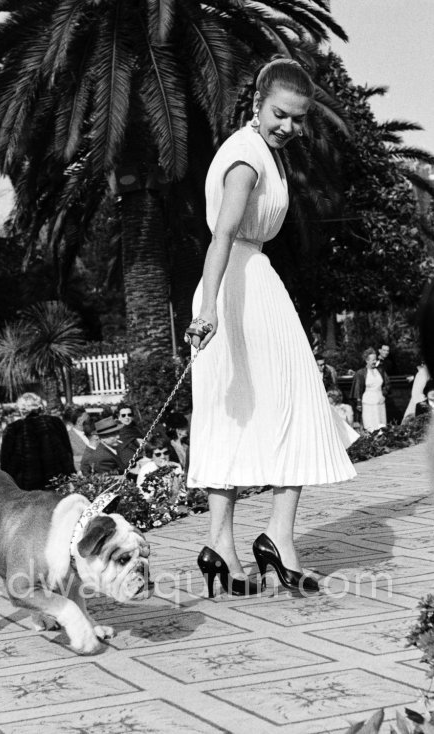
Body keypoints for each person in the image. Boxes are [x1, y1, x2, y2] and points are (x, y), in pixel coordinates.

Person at [184, 59, 356, 598]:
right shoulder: (245, 159)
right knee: (257, 407)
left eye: (298, 119)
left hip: (254, 282)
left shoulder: (264, 151)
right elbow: (222, 236)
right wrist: (208, 307)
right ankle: (252, 540)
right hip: (236, 288)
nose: (289, 126)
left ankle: (238, 543)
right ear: (257, 100)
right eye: (280, 114)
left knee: (262, 408)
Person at [0, 392, 75, 490]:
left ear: (21, 409)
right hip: (57, 484)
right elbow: (68, 454)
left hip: (28, 489)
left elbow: (6, 464)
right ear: (39, 406)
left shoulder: (14, 429)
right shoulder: (56, 423)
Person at [350, 347, 389, 432]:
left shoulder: (380, 371)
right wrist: (359, 403)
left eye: (375, 359)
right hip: (368, 403)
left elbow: (387, 384)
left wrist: (383, 394)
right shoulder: (361, 373)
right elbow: (357, 389)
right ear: (366, 360)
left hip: (380, 402)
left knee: (381, 425)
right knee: (371, 426)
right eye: (372, 360)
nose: (375, 362)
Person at [136, 435, 183, 500]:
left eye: (166, 452)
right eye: (158, 454)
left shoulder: (176, 467)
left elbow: (181, 490)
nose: (163, 457)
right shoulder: (146, 470)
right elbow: (145, 496)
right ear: (151, 456)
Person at [64, 406, 94, 472]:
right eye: (88, 419)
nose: (91, 421)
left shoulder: (92, 434)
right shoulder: (69, 439)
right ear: (79, 421)